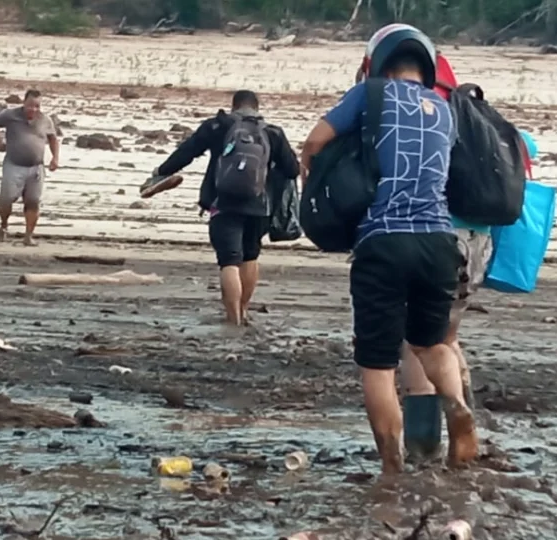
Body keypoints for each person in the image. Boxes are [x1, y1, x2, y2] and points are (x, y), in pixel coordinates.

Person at [301, 25, 478, 475]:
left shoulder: (369, 94)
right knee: (431, 342)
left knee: (378, 364)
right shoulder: (444, 107)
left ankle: (392, 468)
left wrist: (312, 176)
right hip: (440, 241)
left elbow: (316, 140)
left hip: (383, 239)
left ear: (378, 61)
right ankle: (456, 407)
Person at [145, 90, 299, 326]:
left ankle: (233, 318)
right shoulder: (273, 132)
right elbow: (292, 170)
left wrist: (162, 171)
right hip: (260, 207)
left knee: (229, 262)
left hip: (223, 204)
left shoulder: (217, 126)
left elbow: (187, 152)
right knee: (250, 257)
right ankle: (244, 310)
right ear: (257, 108)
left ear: (233, 106)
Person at [0, 89, 59, 246]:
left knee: (33, 201)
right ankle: (4, 225)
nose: (33, 109)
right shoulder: (10, 115)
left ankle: (28, 236)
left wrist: (55, 158)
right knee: (6, 199)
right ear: (24, 103)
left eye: (37, 106)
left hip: (36, 167)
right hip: (13, 164)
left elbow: (53, 139)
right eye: (30, 105)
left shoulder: (45, 120)